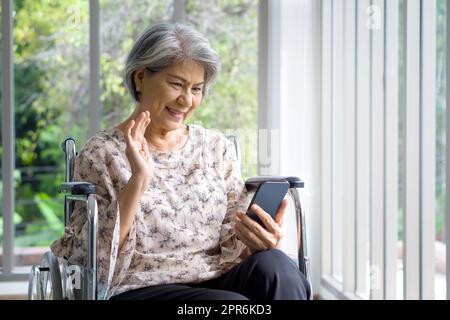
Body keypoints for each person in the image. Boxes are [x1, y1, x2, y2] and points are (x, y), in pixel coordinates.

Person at [51, 22, 310, 300]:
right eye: (177, 84)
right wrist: (138, 180)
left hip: (216, 277)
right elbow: (92, 265)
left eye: (197, 89)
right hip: (140, 288)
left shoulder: (215, 148)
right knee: (229, 304)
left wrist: (258, 242)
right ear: (140, 78)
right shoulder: (101, 154)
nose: (187, 100)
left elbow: (233, 248)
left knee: (278, 268)